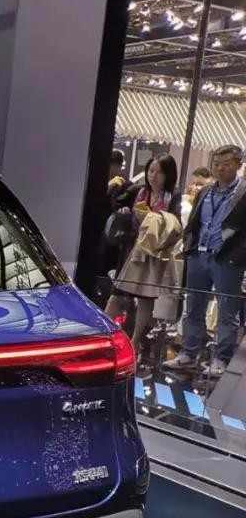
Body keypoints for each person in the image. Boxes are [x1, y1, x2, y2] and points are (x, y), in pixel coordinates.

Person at [164, 144, 246, 377]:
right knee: (193, 306)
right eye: (216, 164)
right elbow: (195, 222)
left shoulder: (243, 192)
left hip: (226, 259)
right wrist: (189, 247)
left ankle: (221, 359)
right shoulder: (205, 191)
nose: (220, 169)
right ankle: (189, 353)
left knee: (227, 311)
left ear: (238, 165)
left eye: (226, 164)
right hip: (199, 255)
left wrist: (238, 256)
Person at [105, 155, 182, 361]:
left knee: (146, 298)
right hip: (132, 250)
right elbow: (115, 203)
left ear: (168, 175)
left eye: (159, 172)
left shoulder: (172, 197)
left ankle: (135, 342)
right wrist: (123, 210)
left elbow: (176, 225)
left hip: (154, 253)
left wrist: (153, 218)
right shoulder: (138, 191)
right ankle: (104, 336)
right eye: (151, 171)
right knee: (117, 294)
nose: (153, 176)